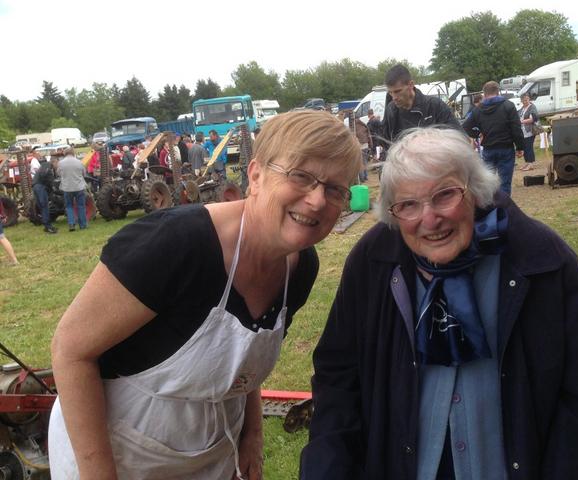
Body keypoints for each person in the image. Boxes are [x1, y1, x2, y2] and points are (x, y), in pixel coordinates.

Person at [48, 110, 362, 480]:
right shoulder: (179, 243)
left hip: (211, 456)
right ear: (256, 175)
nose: (317, 200)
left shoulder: (300, 267)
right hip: (119, 453)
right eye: (301, 176)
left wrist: (252, 434)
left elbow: (241, 359)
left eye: (335, 189)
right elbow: (70, 351)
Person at [301, 127, 578, 480]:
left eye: (445, 195)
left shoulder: (542, 260)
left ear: (476, 191)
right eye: (408, 205)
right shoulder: (373, 262)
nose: (430, 219)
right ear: (392, 213)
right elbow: (338, 380)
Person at [463, 81, 524, 196]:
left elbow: (465, 127)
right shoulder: (508, 105)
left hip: (488, 149)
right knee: (505, 182)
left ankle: (489, 204)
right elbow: (516, 128)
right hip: (506, 148)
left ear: (484, 94)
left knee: (487, 182)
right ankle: (504, 205)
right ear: (498, 91)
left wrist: (478, 133)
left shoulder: (478, 109)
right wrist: (520, 147)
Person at [382, 64, 460, 143]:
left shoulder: (435, 106)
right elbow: (386, 142)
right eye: (390, 92)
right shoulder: (391, 110)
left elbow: (459, 139)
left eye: (398, 91)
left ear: (411, 85)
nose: (394, 97)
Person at [57, 147, 88, 231]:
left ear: (65, 153)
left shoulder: (61, 163)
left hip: (67, 188)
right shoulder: (79, 162)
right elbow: (84, 173)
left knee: (69, 206)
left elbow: (58, 173)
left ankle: (71, 224)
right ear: (73, 153)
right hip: (79, 187)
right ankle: (83, 225)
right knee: (81, 206)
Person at [31, 155, 58, 234]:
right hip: (40, 187)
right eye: (57, 163)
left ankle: (47, 226)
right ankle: (48, 227)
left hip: (36, 186)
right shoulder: (48, 166)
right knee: (45, 207)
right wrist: (52, 185)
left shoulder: (44, 165)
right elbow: (45, 175)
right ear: (54, 162)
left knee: (42, 207)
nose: (58, 165)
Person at [518, 93, 539, 171]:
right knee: (525, 147)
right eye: (524, 100)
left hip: (530, 130)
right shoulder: (522, 108)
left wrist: (521, 121)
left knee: (528, 147)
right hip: (523, 131)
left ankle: (531, 164)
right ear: (521, 101)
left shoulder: (532, 107)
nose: (525, 101)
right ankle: (527, 162)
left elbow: (533, 119)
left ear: (529, 99)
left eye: (527, 99)